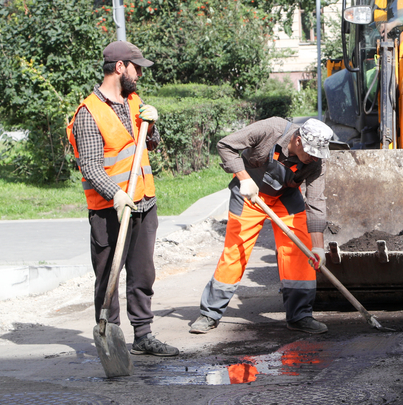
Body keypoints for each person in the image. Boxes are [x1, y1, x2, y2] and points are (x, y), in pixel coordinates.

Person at [66, 41, 179, 357]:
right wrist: (115, 194)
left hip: (143, 202)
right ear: (119, 67)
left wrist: (152, 125)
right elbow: (89, 166)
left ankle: (143, 336)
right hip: (109, 210)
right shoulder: (89, 113)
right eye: (136, 67)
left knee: (143, 273)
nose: (140, 74)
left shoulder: (134, 101)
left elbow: (149, 145)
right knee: (108, 279)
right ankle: (111, 339)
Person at [190, 118, 334, 335]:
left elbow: (316, 202)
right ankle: (209, 314)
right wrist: (243, 178)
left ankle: (300, 316)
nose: (314, 158)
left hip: (285, 197)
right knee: (236, 252)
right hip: (250, 195)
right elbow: (225, 145)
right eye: (311, 152)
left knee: (300, 252)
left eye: (317, 154)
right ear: (297, 140)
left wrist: (318, 246)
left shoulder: (315, 163)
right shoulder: (271, 129)